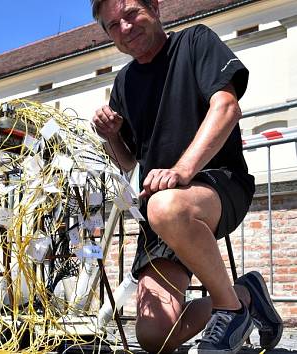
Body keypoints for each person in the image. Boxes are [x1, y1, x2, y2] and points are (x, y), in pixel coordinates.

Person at [89, 0, 283, 353]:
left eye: (132, 14)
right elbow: (129, 163)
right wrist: (112, 136)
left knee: (165, 206)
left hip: (218, 185)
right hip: (162, 210)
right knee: (153, 336)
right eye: (113, 25)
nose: (126, 29)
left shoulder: (195, 41)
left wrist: (182, 171)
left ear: (156, 7)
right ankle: (243, 296)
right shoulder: (124, 82)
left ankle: (230, 310)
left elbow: (227, 107)